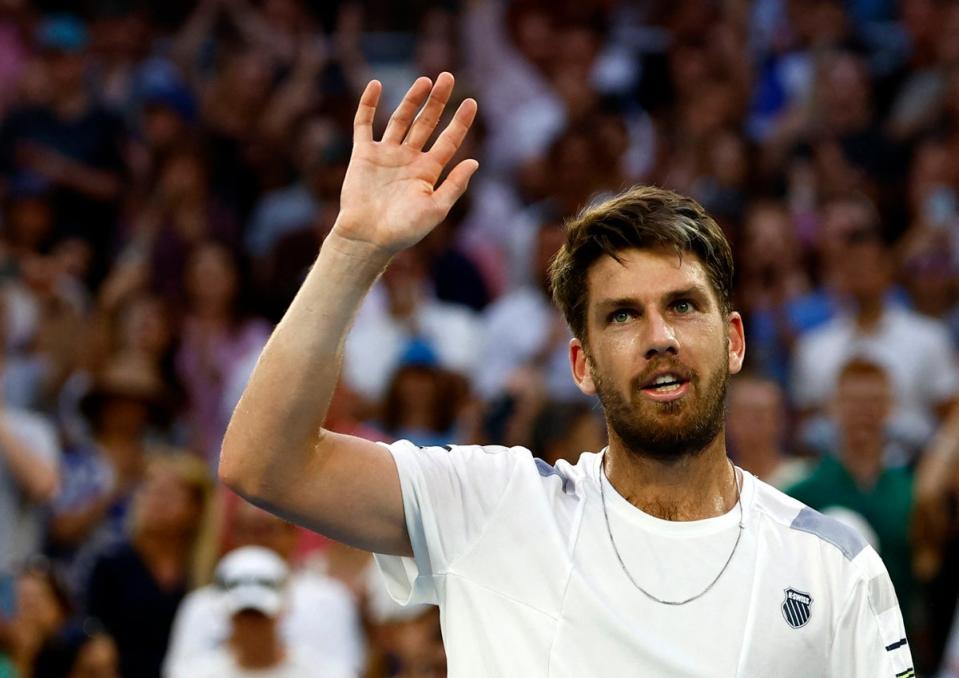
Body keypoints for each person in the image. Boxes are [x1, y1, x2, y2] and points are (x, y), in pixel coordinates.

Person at [219, 73, 913, 676]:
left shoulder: (833, 565)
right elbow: (262, 466)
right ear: (580, 364)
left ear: (732, 340)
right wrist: (353, 248)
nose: (660, 337)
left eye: (681, 306)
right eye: (620, 317)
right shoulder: (492, 505)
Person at [169, 546, 352, 678]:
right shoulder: (191, 674)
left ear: (282, 612)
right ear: (225, 615)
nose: (252, 626)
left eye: (260, 616)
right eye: (244, 615)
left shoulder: (327, 673)